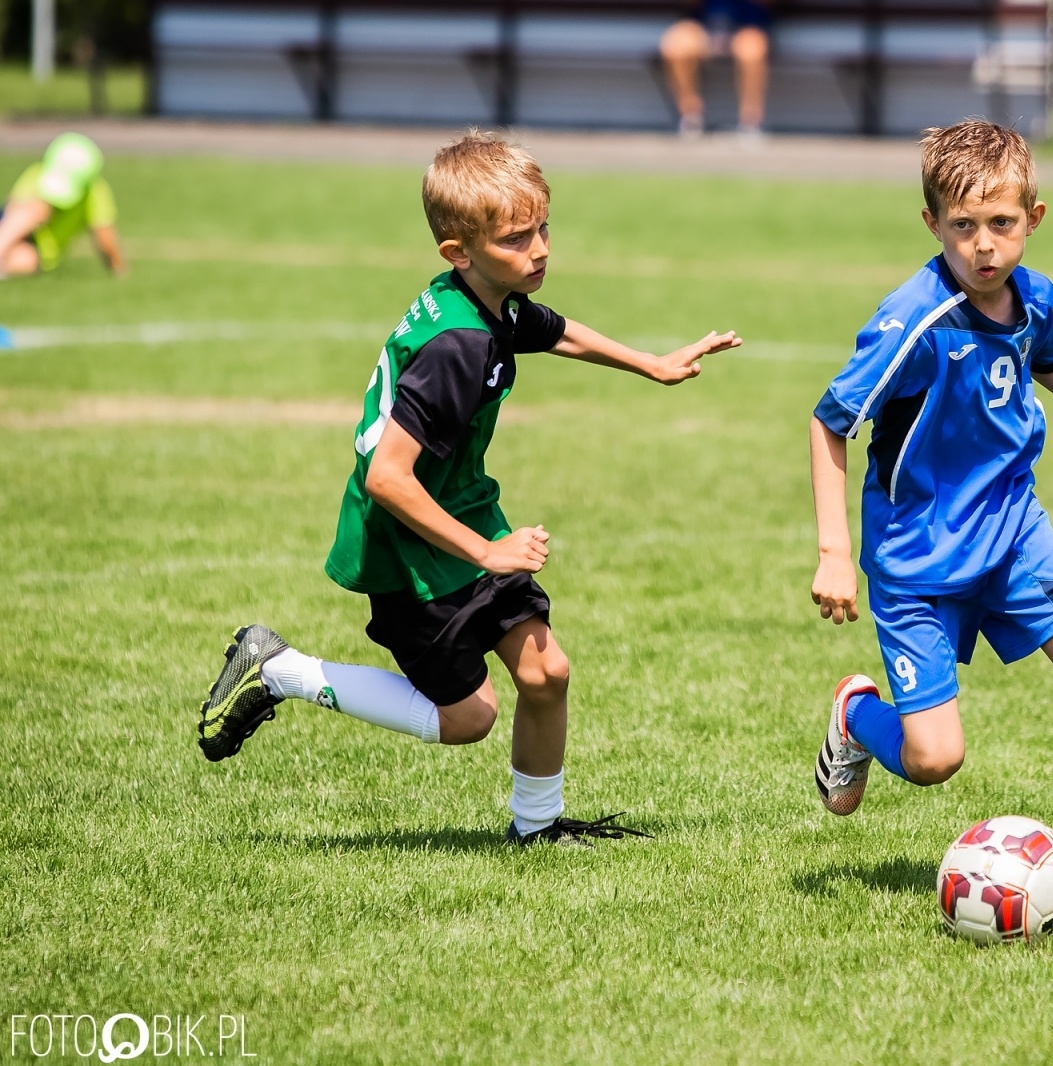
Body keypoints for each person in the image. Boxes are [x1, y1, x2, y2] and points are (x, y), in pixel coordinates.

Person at [197, 131, 741, 846]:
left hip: (462, 510)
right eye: (518, 238)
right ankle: (282, 669)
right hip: (411, 541)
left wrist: (653, 363)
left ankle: (537, 829)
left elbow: (550, 330)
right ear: (459, 251)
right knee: (469, 718)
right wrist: (487, 554)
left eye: (544, 227)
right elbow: (386, 477)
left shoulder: (489, 298)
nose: (540, 249)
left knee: (545, 672)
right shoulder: (459, 347)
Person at [808, 121, 1053, 913]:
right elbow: (829, 421)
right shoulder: (914, 321)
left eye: (1001, 224)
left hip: (1015, 535)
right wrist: (833, 552)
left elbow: (1052, 364)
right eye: (963, 227)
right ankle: (857, 716)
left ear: (1034, 217)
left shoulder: (1035, 296)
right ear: (933, 224)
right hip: (919, 561)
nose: (983, 246)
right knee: (933, 759)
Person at [0, 132, 125, 279]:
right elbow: (12, 212)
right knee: (36, 209)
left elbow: (105, 237)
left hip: (37, 253)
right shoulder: (38, 174)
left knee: (26, 260)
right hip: (12, 235)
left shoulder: (94, 192)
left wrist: (120, 272)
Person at [659, 0, 771, 138]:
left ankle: (751, 123)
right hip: (705, 25)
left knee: (752, 50)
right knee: (677, 46)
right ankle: (691, 118)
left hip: (747, 25)